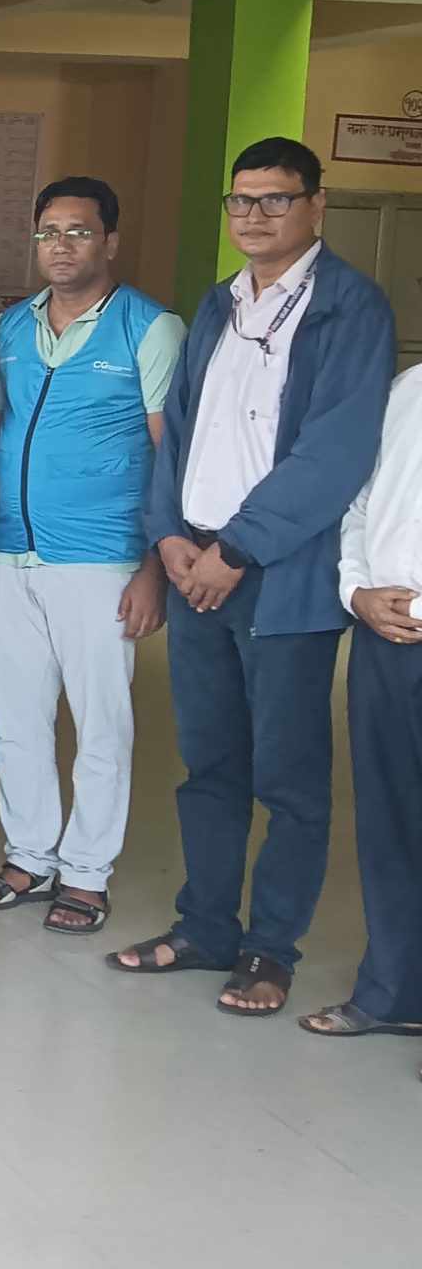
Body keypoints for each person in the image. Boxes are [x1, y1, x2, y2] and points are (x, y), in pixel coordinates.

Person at [111, 136, 393, 1018]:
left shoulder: (351, 306)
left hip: (281, 580)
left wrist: (235, 552)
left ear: (316, 205)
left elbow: (335, 452)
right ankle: (205, 928)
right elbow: (179, 432)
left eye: (277, 199)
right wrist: (168, 537)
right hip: (197, 564)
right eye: (243, 200)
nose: (256, 215)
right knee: (209, 766)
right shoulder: (219, 302)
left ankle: (270, 950)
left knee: (289, 780)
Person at [0, 178, 185, 934]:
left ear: (110, 241)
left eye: (79, 232)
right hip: (11, 551)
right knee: (16, 719)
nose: (60, 246)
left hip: (103, 558)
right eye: (48, 232)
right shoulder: (11, 328)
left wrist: (154, 567)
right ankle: (29, 858)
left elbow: (171, 458)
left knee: (101, 725)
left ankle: (87, 874)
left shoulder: (150, 329)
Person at [302, 367, 422, 1049]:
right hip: (386, 635)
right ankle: (394, 993)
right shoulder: (409, 390)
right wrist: (357, 592)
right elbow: (361, 502)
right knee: (390, 818)